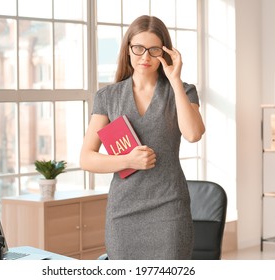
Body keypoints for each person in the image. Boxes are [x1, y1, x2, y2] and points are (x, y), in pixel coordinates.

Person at [80, 15, 205, 260]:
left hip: (169, 208)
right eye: (138, 48)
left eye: (154, 50)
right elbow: (87, 158)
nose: (145, 57)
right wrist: (128, 161)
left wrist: (175, 80)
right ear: (128, 49)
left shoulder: (183, 90)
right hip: (123, 213)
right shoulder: (108, 96)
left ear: (165, 52)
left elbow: (193, 133)